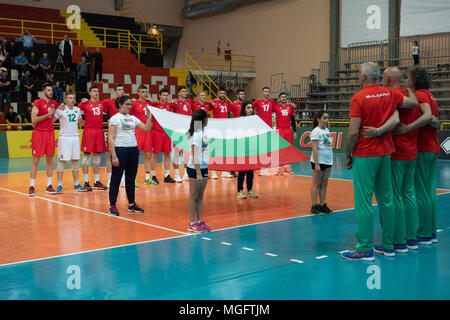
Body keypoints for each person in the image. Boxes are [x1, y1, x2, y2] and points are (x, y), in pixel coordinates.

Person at [341, 62, 418, 261]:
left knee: (364, 202)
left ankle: (364, 248)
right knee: (387, 199)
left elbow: (353, 131)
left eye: (359, 73)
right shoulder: (388, 94)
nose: (358, 77)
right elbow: (409, 105)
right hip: (386, 153)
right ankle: (389, 245)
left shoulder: (358, 98)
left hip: (365, 154)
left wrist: (347, 154)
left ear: (365, 77)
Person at [362, 66, 420, 253]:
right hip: (413, 150)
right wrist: (410, 88)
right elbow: (414, 104)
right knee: (409, 194)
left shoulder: (389, 94)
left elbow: (395, 121)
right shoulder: (407, 95)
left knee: (394, 198)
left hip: (396, 152)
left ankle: (398, 241)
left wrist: (378, 131)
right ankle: (412, 238)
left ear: (386, 79)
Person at [390, 66, 440, 245]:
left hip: (423, 147)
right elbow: (434, 120)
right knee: (429, 191)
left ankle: (425, 233)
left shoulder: (420, 95)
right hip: (432, 147)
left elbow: (428, 117)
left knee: (421, 192)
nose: (406, 80)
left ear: (415, 80)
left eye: (408, 77)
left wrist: (407, 128)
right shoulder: (430, 95)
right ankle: (431, 231)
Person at [108, 95, 152, 216]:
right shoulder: (115, 119)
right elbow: (111, 138)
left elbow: (147, 128)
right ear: (120, 105)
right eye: (127, 104)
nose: (129, 106)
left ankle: (131, 204)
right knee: (116, 179)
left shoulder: (133, 118)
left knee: (131, 179)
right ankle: (112, 205)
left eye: (130, 104)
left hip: (133, 150)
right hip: (120, 149)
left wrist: (149, 116)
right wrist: (114, 155)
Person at [29, 83, 59, 196]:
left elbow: (55, 117)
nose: (51, 92)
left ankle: (49, 186)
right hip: (39, 134)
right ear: (43, 91)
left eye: (52, 90)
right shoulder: (38, 103)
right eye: (49, 90)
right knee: (35, 160)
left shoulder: (54, 104)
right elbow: (33, 120)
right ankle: (32, 186)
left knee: (50, 160)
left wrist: (58, 110)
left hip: (50, 133)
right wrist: (47, 115)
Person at [53, 92, 87, 193]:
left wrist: (93, 121)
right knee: (61, 162)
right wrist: (56, 107)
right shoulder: (61, 110)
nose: (72, 100)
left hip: (75, 138)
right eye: (70, 98)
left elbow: (81, 122)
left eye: (73, 98)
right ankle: (59, 185)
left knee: (75, 162)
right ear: (66, 100)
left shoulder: (78, 110)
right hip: (64, 138)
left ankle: (76, 184)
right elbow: (51, 121)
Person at [77, 85, 108, 191]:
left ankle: (97, 182)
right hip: (89, 132)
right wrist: (81, 121)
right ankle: (86, 182)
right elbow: (75, 111)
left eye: (97, 91)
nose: (96, 93)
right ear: (89, 93)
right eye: (94, 91)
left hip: (98, 131)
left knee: (97, 157)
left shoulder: (101, 104)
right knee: (86, 158)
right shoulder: (85, 103)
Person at [186, 109, 211, 233]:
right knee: (193, 196)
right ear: (203, 120)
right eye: (206, 117)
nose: (208, 120)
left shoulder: (202, 133)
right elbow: (195, 154)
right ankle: (191, 224)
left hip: (204, 167)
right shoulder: (195, 134)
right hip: (195, 169)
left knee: (200, 197)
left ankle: (200, 221)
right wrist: (198, 172)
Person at [149, 88, 176, 184]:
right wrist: (151, 100)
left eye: (167, 95)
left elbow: (177, 102)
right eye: (164, 95)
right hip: (157, 132)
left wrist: (174, 101)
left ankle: (167, 175)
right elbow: (146, 101)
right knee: (155, 154)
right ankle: (153, 175)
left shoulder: (169, 105)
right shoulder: (155, 105)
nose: (166, 97)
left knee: (167, 154)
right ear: (159, 96)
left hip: (166, 133)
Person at [102, 83, 126, 187]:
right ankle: (110, 180)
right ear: (115, 91)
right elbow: (97, 106)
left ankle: (123, 179)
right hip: (113, 133)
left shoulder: (126, 102)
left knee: (123, 156)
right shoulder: (108, 102)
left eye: (123, 90)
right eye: (119, 90)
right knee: (110, 156)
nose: (122, 91)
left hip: (124, 132)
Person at [129, 85, 154, 185]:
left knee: (147, 155)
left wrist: (152, 101)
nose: (145, 93)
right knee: (135, 155)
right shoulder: (134, 103)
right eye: (143, 92)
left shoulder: (149, 104)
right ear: (138, 93)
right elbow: (128, 114)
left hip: (147, 131)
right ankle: (132, 178)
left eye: (146, 91)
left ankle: (147, 178)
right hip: (138, 130)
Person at [309, 110, 333, 215]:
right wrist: (317, 164)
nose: (327, 120)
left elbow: (327, 146)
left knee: (324, 184)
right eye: (324, 118)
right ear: (318, 119)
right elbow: (314, 149)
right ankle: (315, 206)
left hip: (328, 161)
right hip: (319, 161)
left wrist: (330, 160)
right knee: (316, 184)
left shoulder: (327, 130)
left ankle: (323, 204)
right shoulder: (315, 132)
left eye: (327, 118)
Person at [236, 101, 259, 200]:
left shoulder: (255, 120)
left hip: (252, 147)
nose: (250, 110)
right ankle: (240, 191)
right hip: (242, 147)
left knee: (250, 170)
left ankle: (250, 190)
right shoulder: (240, 120)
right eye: (248, 108)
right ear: (244, 109)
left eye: (251, 108)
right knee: (242, 170)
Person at [253, 87, 277, 175]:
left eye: (268, 92)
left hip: (269, 128)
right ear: (262, 92)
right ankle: (257, 168)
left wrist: (291, 105)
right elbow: (250, 107)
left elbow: (280, 107)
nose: (267, 93)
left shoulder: (272, 102)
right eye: (265, 91)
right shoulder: (257, 101)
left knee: (268, 148)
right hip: (260, 127)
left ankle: (269, 167)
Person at [210, 87, 234, 179]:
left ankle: (224, 171)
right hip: (216, 129)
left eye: (224, 93)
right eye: (221, 93)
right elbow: (205, 101)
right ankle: (213, 172)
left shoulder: (228, 103)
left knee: (224, 151)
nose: (222, 95)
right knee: (214, 150)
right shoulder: (214, 102)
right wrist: (211, 102)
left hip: (225, 130)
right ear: (218, 94)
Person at [171, 86, 193, 182]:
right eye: (183, 91)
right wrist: (172, 102)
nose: (185, 93)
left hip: (187, 131)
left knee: (186, 153)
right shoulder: (175, 103)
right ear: (179, 93)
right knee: (177, 152)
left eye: (186, 91)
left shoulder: (189, 102)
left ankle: (186, 173)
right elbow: (167, 106)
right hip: (178, 131)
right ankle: (176, 175)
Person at [273, 92, 297, 175]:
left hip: (288, 131)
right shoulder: (275, 107)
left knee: (287, 149)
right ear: (279, 98)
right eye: (282, 97)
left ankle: (286, 167)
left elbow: (293, 120)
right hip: (279, 131)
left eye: (285, 97)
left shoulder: (290, 107)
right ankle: (278, 168)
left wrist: (295, 131)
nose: (284, 98)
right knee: (280, 150)